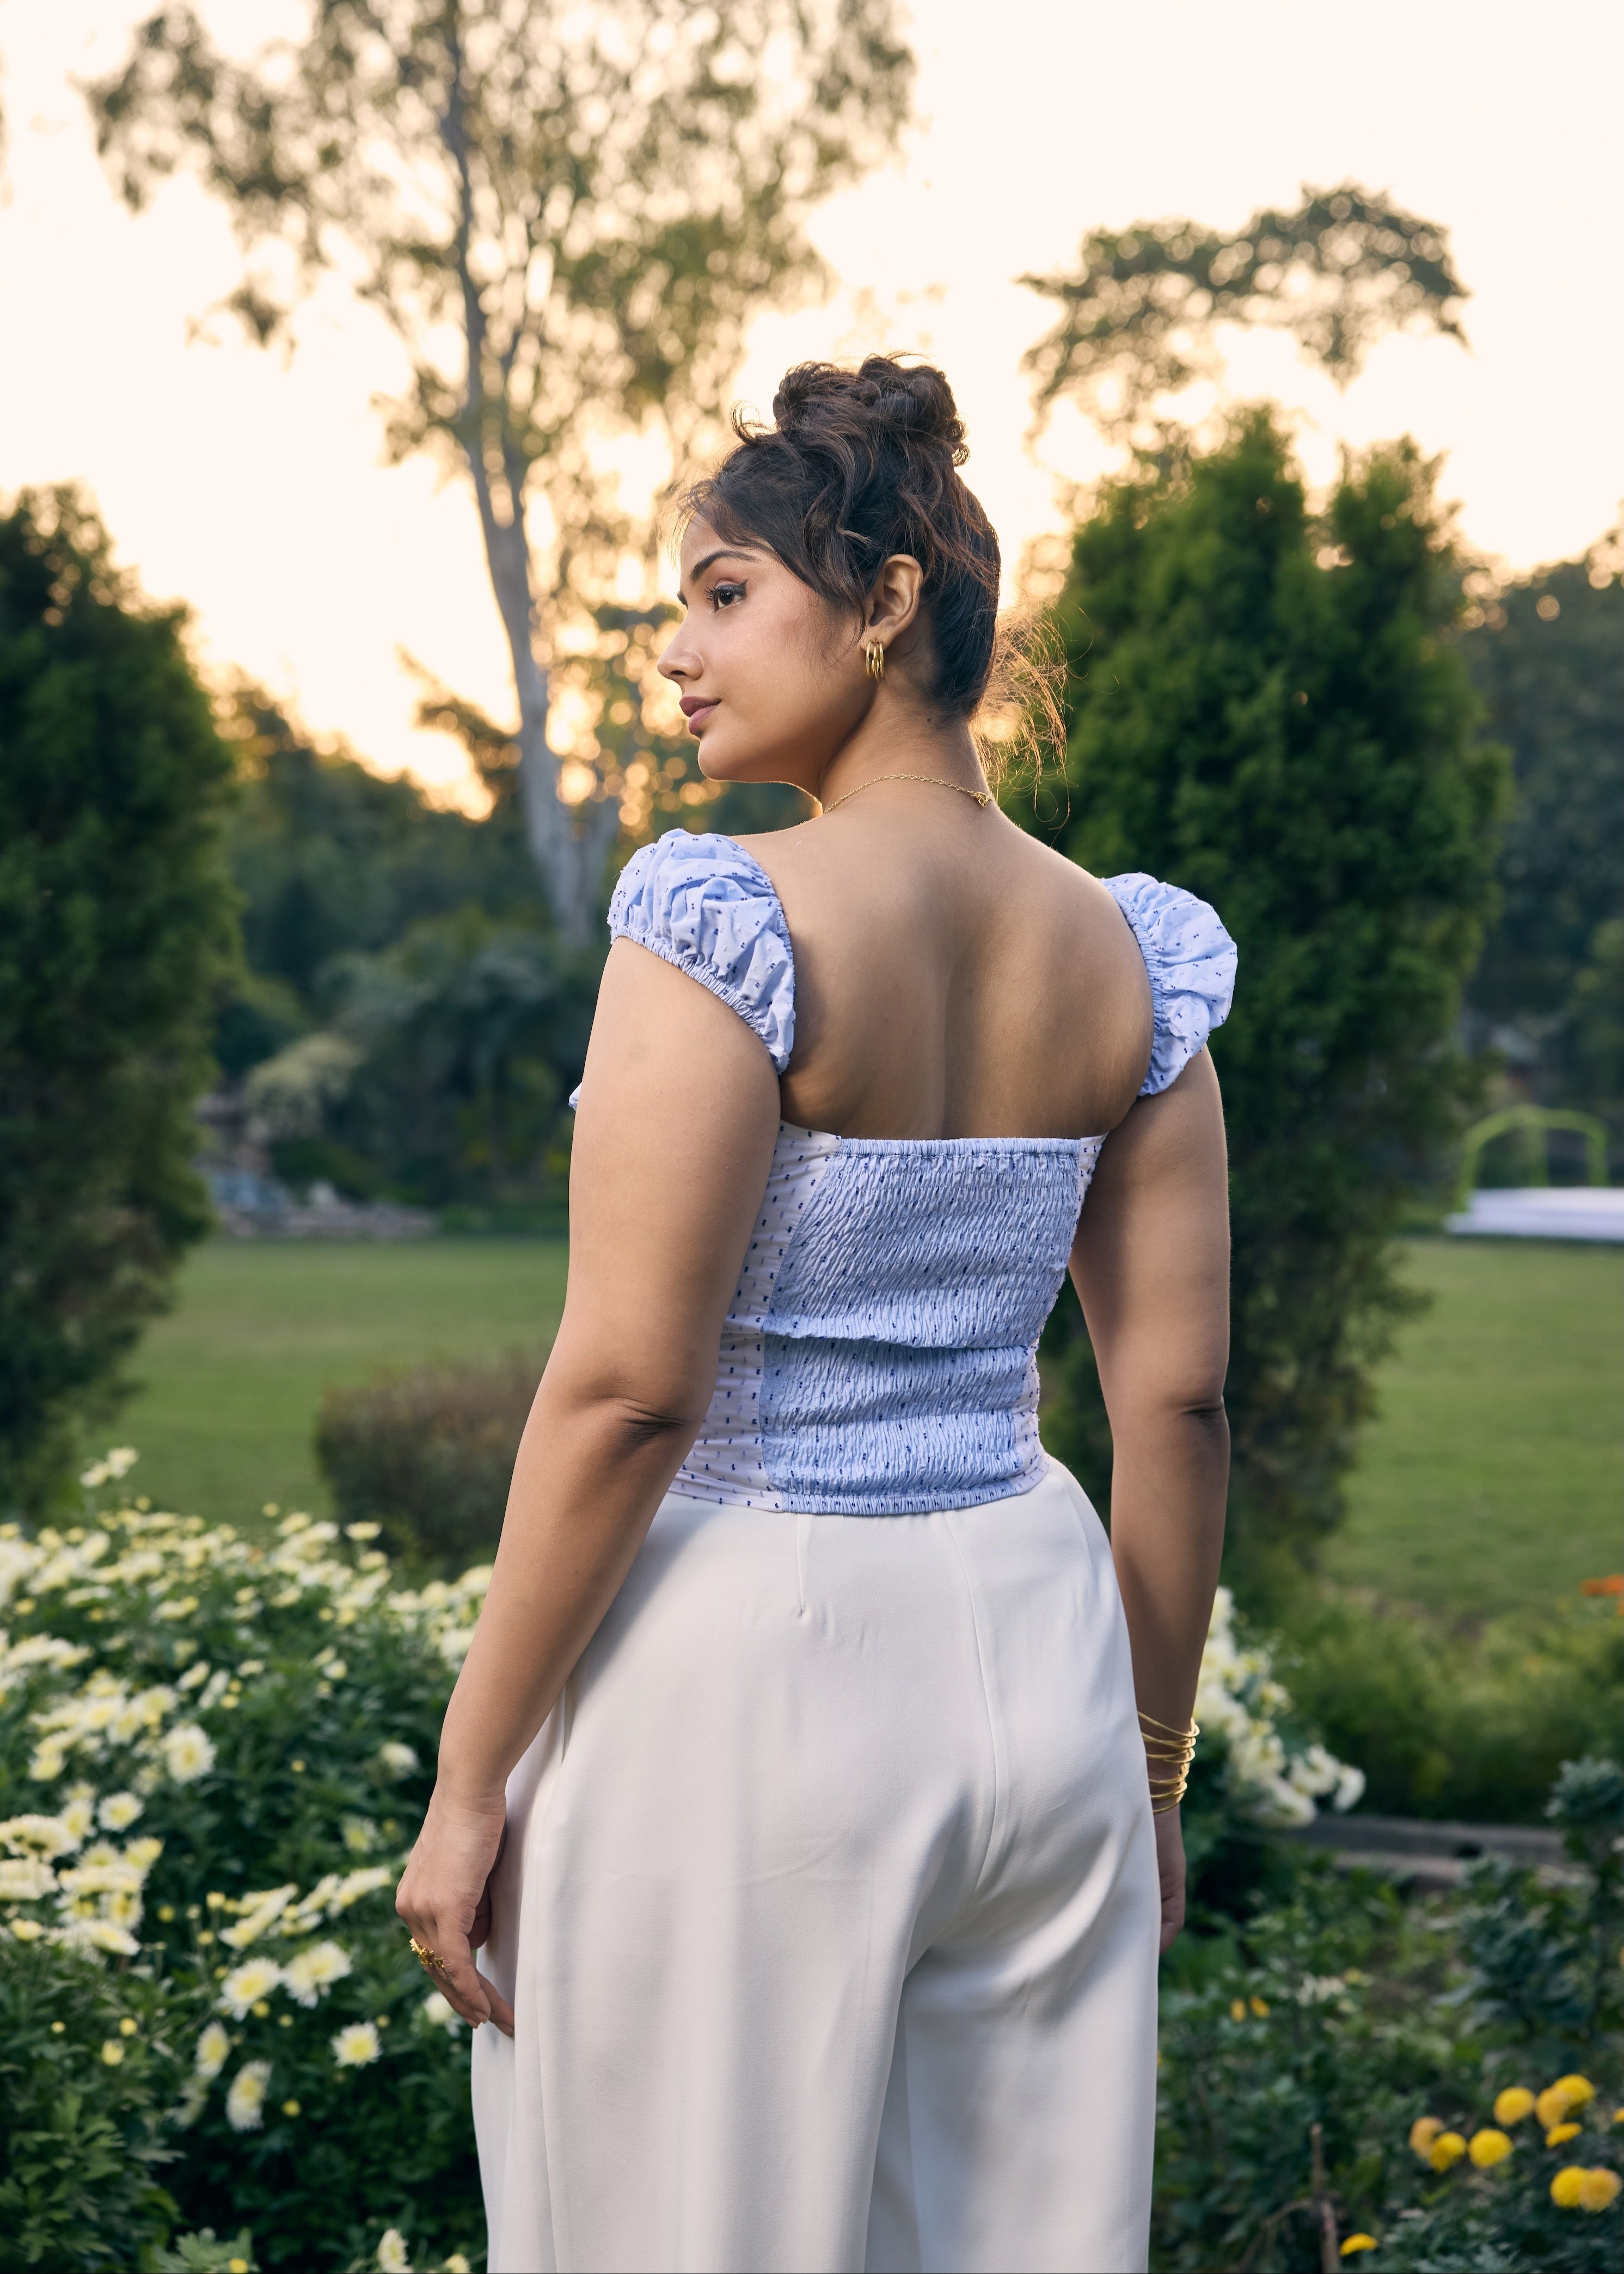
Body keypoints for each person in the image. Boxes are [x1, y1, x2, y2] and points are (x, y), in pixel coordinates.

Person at [397, 356, 1235, 2274]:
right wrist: (1150, 1766)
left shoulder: (724, 924)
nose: (674, 654)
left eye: (722, 593)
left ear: (885, 602)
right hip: (1042, 1674)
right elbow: (1176, 1412)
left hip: (753, 1682)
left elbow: (622, 1394)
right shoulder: (1139, 963)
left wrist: (469, 1788)